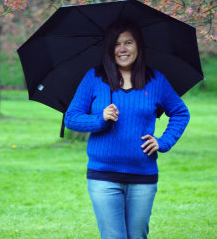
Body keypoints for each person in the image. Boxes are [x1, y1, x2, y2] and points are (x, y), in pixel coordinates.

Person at [64, 20, 190, 239]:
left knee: (138, 236)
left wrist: (163, 141)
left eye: (128, 42)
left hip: (143, 176)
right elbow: (71, 118)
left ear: (138, 45)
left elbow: (181, 113)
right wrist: (100, 119)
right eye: (116, 44)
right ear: (109, 49)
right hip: (103, 176)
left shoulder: (156, 80)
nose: (122, 49)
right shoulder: (93, 78)